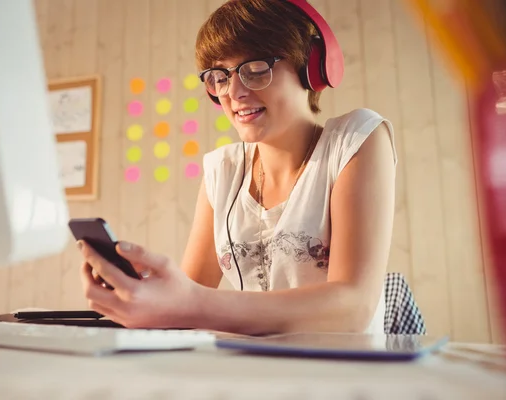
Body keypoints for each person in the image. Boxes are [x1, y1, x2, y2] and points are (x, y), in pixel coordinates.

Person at [76, 0, 397, 336]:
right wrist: (146, 295)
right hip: (248, 375)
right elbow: (186, 305)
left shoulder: (357, 139)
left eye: (255, 69)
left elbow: (353, 307)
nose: (234, 92)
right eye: (219, 77)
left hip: (344, 380)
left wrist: (191, 302)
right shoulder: (222, 170)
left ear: (312, 65)